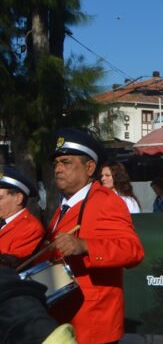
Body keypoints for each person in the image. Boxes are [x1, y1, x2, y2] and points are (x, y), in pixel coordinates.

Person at [40, 128, 144, 343]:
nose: (58, 169)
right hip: (64, 319)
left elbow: (132, 250)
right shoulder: (65, 206)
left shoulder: (106, 200)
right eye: (56, 164)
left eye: (66, 162)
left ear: (89, 168)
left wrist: (85, 246)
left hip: (93, 324)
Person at [0, 166, 44, 267]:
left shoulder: (31, 228)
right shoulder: (4, 222)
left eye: (0, 198)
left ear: (18, 198)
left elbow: (11, 264)